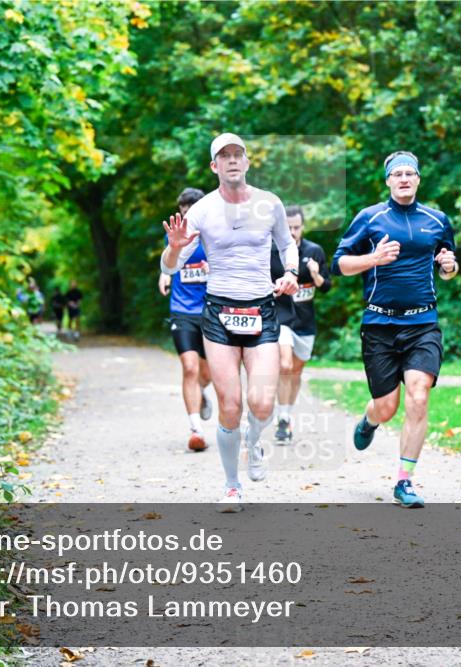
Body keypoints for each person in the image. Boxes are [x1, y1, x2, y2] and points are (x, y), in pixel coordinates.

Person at [161, 132, 299, 510]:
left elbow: (287, 244)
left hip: (262, 308)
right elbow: (167, 266)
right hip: (219, 312)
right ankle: (232, 485)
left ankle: (254, 444)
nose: (233, 160)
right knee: (231, 404)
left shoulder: (269, 204)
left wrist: (290, 271)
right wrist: (173, 249)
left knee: (263, 403)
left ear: (247, 162)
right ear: (214, 166)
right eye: (225, 156)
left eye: (238, 153)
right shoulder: (201, 211)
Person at [331, 151, 459, 508]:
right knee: (387, 406)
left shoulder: (437, 220)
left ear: (418, 179)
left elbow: (447, 267)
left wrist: (450, 266)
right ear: (388, 181)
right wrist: (373, 259)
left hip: (422, 323)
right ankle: (370, 420)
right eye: (397, 174)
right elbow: (337, 265)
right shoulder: (370, 218)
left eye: (410, 173)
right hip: (380, 324)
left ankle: (404, 481)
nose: (404, 179)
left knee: (419, 395)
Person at [158, 187, 215, 452]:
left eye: (192, 211)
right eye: (183, 212)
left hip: (212, 310)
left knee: (208, 373)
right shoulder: (177, 235)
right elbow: (168, 260)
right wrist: (165, 274)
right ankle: (196, 429)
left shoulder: (213, 236)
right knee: (190, 368)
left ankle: (201, 392)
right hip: (182, 310)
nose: (187, 216)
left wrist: (211, 269)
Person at [269, 205, 331, 442]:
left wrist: (315, 275)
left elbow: (326, 287)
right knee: (284, 365)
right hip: (281, 318)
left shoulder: (314, 251)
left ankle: (286, 414)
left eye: (296, 227)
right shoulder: (273, 251)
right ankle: (282, 420)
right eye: (288, 227)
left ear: (303, 227)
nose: (292, 232)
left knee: (296, 371)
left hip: (306, 322)